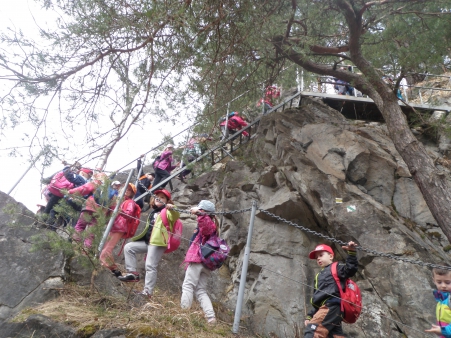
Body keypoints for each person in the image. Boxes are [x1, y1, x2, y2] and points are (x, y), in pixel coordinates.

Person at [118, 189, 180, 299]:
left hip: (158, 242)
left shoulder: (167, 211)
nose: (159, 198)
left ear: (167, 201)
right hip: (149, 242)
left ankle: (147, 292)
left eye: (162, 198)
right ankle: (132, 273)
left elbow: (175, 215)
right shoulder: (153, 212)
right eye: (157, 196)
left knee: (150, 266)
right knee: (129, 247)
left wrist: (172, 207)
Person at [304, 242, 358, 338]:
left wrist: (352, 253)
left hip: (332, 306)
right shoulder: (318, 276)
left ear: (331, 256)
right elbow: (318, 300)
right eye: (317, 257)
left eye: (321, 255)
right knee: (334, 335)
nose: (318, 258)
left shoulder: (336, 267)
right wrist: (310, 315)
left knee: (312, 330)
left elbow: (350, 269)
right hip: (328, 308)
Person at [181, 200, 218, 325]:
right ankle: (211, 317)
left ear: (205, 213)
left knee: (188, 285)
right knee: (201, 290)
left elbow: (205, 223)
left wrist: (199, 213)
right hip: (206, 263)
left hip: (198, 260)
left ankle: (183, 313)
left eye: (201, 211)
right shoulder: (213, 225)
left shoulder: (208, 224)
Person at [100, 183, 141, 277]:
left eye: (130, 190)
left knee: (106, 249)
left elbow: (129, 214)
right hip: (113, 226)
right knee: (105, 247)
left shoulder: (129, 202)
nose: (127, 190)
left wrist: (121, 211)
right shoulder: (119, 200)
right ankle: (110, 267)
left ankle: (113, 269)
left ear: (132, 194)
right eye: (126, 188)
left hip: (120, 227)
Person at [425, 267, 451, 337]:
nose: (443, 286)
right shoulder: (441, 299)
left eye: (448, 282)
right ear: (434, 281)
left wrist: (443, 331)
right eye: (439, 282)